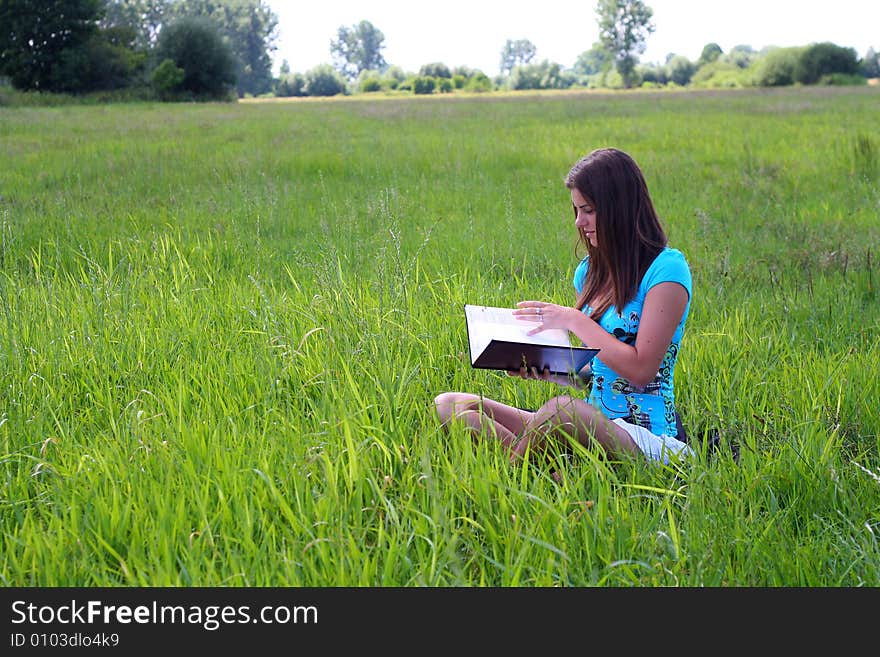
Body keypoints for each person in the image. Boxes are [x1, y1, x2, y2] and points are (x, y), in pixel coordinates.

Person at [435, 147, 694, 468]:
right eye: (575, 210)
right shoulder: (589, 272)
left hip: (649, 439)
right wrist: (549, 367)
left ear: (619, 208)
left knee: (560, 411)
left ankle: (513, 476)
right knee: (451, 405)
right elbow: (597, 375)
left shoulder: (667, 270)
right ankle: (549, 471)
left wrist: (573, 319)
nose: (579, 222)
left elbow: (641, 371)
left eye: (588, 210)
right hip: (589, 423)